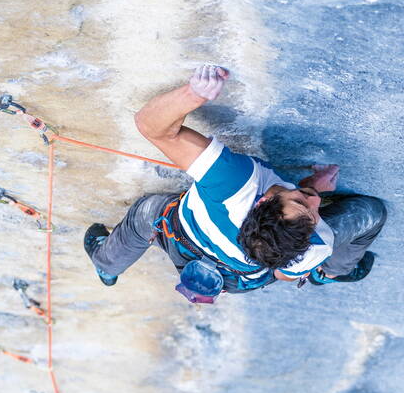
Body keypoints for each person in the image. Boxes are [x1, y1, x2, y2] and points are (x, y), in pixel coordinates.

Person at [82, 64, 386, 301]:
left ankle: (108, 265)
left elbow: (153, 127)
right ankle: (328, 274)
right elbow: (282, 275)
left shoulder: (232, 184)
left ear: (264, 200)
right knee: (370, 214)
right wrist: (312, 188)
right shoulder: (316, 245)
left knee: (149, 213)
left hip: (181, 236)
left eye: (301, 202)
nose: (317, 202)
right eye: (312, 209)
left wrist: (194, 94)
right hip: (238, 276)